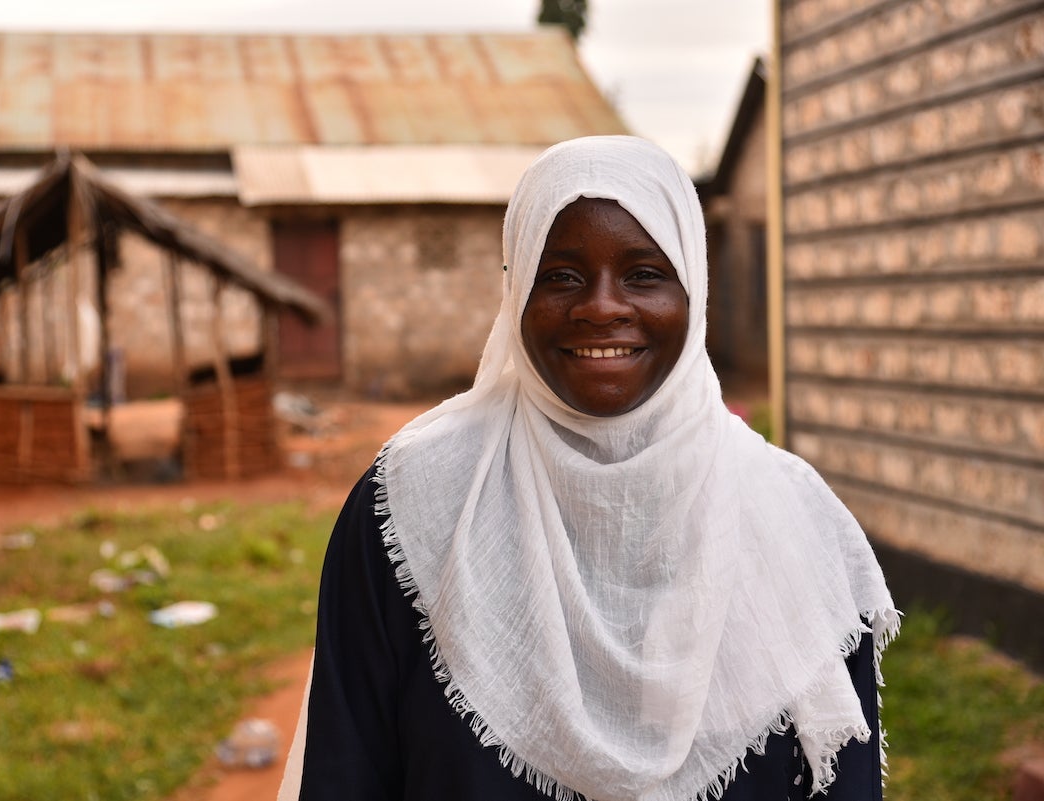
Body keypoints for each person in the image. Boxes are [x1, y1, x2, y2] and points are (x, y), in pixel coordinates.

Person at [281, 135, 899, 801]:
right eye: (562, 276)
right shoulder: (416, 503)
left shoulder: (793, 519)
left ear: (695, 285)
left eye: (644, 273)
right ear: (515, 289)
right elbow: (346, 768)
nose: (601, 306)